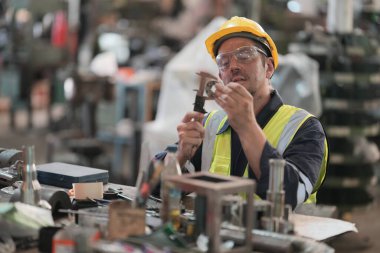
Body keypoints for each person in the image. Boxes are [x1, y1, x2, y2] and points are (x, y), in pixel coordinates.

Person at [157, 16, 328, 209]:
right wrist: (180, 156)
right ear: (221, 76)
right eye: (224, 62)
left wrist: (246, 125)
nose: (234, 66)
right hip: (214, 236)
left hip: (277, 237)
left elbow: (290, 195)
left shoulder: (304, 127)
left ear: (269, 68)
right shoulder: (210, 125)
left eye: (245, 55)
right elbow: (156, 189)